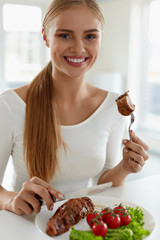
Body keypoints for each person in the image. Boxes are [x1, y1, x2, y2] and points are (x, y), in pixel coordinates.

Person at [0, 0, 149, 216]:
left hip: (82, 226)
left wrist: (124, 167)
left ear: (100, 38)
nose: (79, 48)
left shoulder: (112, 107)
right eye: (65, 35)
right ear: (45, 36)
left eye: (90, 36)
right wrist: (11, 200)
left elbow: (102, 181)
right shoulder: (10, 106)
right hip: (25, 228)